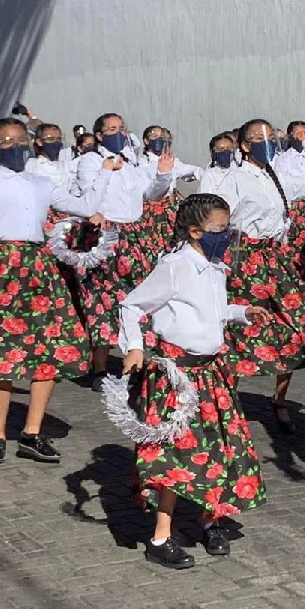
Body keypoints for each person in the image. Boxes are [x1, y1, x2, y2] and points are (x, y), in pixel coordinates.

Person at [0, 117, 117, 465]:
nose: (16, 146)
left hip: (38, 267)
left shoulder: (41, 183)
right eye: (7, 141)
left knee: (49, 349)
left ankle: (31, 431)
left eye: (21, 139)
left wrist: (103, 172)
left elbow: (84, 207)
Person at [118, 194, 271, 568]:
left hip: (212, 371)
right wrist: (134, 347)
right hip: (178, 375)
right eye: (219, 229)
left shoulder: (215, 266)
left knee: (218, 447)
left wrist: (241, 311)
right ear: (195, 231)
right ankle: (161, 537)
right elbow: (132, 305)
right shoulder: (175, 266)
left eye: (227, 227)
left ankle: (211, 518)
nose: (226, 235)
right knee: (172, 455)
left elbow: (214, 311)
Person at [211, 119, 305, 432]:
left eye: (269, 136)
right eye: (257, 137)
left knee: (295, 322)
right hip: (242, 258)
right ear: (244, 145)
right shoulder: (235, 177)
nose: (265, 142)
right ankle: (227, 403)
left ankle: (279, 400)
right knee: (239, 330)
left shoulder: (277, 175)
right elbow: (217, 216)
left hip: (275, 258)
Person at [77, 113, 175, 388]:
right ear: (99, 135)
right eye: (110, 129)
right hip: (106, 232)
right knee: (103, 298)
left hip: (135, 235)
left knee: (139, 296)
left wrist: (163, 175)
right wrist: (107, 171)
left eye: (120, 128)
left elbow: (150, 195)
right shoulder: (92, 160)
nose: (117, 133)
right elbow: (90, 193)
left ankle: (136, 357)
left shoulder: (132, 161)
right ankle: (99, 367)